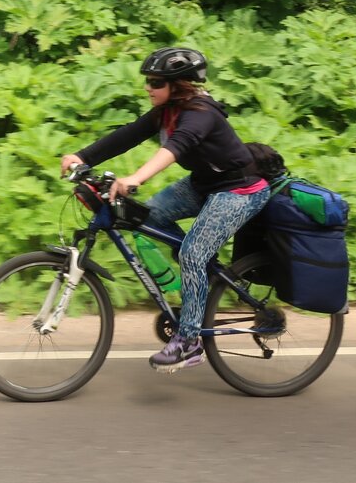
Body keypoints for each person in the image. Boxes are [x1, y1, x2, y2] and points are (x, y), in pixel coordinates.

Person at [60, 47, 270, 373]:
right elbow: (127, 136)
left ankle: (189, 342)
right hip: (204, 185)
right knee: (147, 216)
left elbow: (175, 149)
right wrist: (82, 156)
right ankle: (202, 271)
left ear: (180, 84)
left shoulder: (201, 112)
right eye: (148, 81)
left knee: (191, 254)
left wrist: (135, 178)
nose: (148, 87)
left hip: (239, 190)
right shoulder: (166, 111)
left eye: (156, 82)